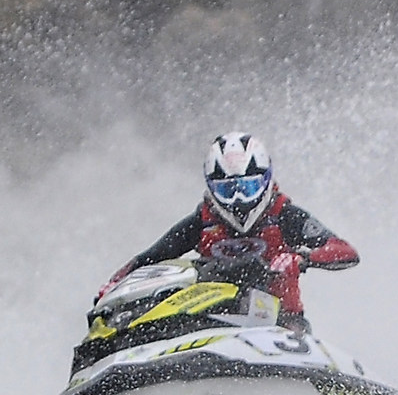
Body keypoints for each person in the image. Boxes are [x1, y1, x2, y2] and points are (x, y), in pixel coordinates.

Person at [95, 133, 360, 330]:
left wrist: (302, 258)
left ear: (265, 180)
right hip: (210, 319)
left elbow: (345, 251)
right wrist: (113, 286)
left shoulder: (285, 215)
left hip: (281, 323)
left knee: (290, 325)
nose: (238, 200)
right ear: (211, 187)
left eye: (248, 187)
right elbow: (149, 258)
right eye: (227, 190)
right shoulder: (201, 222)